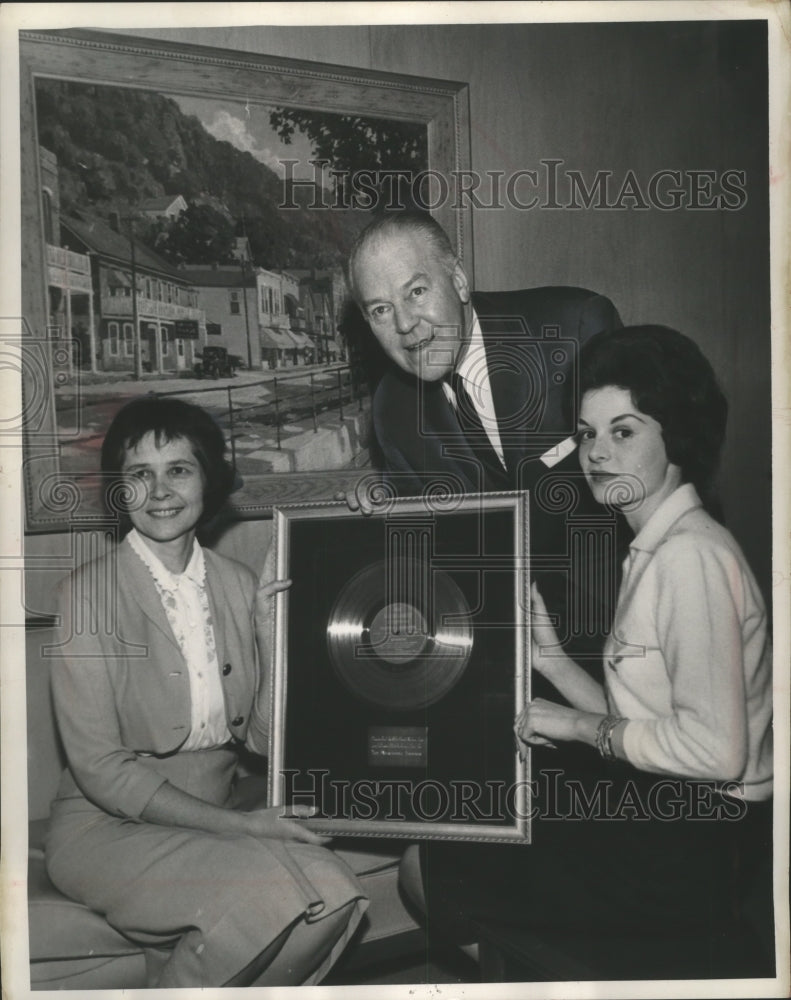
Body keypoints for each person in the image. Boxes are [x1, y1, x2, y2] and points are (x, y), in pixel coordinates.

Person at [405, 326, 774, 977]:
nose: (597, 453)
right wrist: (549, 661)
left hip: (689, 850)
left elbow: (716, 752)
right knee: (469, 825)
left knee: (438, 863)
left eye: (622, 431)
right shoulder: (656, 545)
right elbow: (649, 721)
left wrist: (576, 727)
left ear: (676, 434)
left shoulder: (689, 557)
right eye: (585, 433)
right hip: (665, 820)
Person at [45, 396, 368, 988]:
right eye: (139, 474)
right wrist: (244, 828)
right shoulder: (85, 597)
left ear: (207, 480)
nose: (160, 490)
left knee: (336, 895)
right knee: (279, 894)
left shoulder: (240, 583)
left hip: (210, 816)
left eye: (178, 469)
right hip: (107, 828)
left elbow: (265, 742)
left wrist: (270, 638)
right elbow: (100, 768)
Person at [346, 209, 624, 663]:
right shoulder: (392, 411)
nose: (404, 324)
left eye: (416, 291)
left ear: (457, 279)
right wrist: (379, 523)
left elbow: (655, 478)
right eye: (380, 310)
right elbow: (437, 555)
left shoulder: (574, 330)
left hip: (631, 622)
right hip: (509, 650)